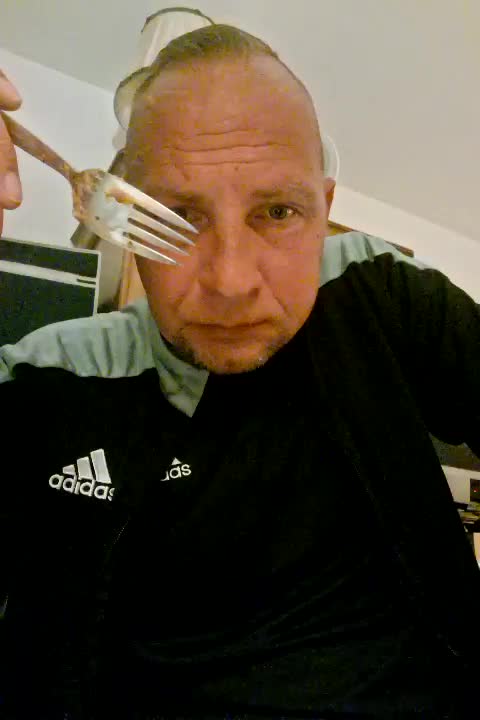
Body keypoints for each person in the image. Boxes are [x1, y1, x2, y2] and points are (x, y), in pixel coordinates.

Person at [1, 24, 479, 720]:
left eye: (277, 212)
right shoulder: (57, 374)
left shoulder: (379, 293)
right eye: (178, 215)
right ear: (124, 218)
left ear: (325, 210)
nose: (230, 282)